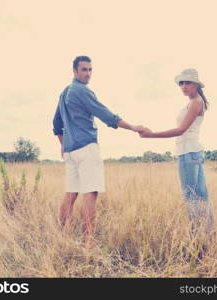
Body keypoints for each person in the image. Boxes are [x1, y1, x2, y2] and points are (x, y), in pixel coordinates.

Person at [53, 55, 145, 250]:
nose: (88, 74)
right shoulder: (81, 91)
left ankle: (62, 238)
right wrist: (133, 127)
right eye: (84, 70)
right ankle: (89, 243)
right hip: (86, 147)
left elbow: (56, 124)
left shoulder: (64, 93)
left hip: (70, 151)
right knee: (90, 193)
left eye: (90, 70)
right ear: (75, 71)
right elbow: (105, 114)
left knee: (71, 194)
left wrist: (63, 144)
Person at [139, 68, 214, 238]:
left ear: (196, 84)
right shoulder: (194, 101)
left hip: (188, 152)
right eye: (181, 83)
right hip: (192, 151)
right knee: (201, 196)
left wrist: (151, 135)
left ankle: (197, 236)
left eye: (187, 82)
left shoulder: (196, 102)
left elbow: (181, 130)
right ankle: (208, 234)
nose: (184, 86)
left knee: (191, 197)